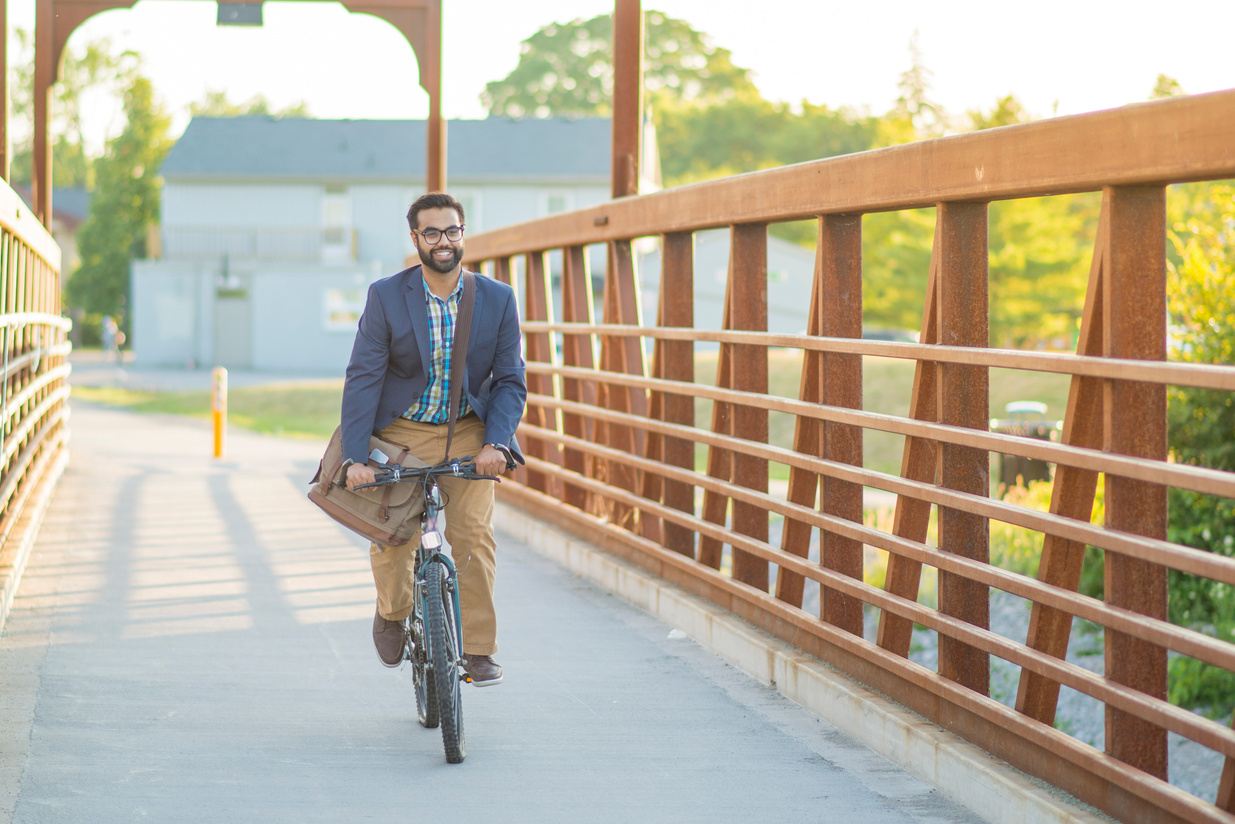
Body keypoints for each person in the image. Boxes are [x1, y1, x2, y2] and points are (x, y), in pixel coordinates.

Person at [340, 191, 526, 686]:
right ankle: (394, 611)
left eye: (451, 231)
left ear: (463, 234)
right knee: (393, 536)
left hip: (467, 429)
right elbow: (364, 377)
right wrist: (357, 457)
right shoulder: (386, 296)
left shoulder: (498, 298)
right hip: (402, 428)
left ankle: (479, 650)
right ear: (415, 239)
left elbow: (509, 379)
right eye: (431, 233)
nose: (443, 242)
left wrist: (497, 443)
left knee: (472, 536)